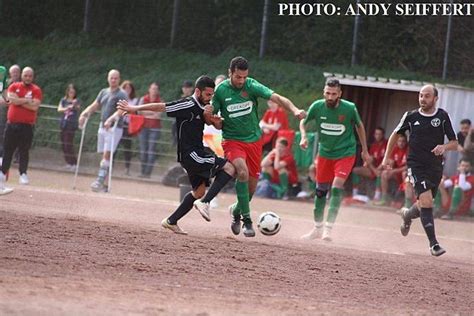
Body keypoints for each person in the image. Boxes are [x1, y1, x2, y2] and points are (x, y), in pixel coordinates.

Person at [116, 75, 235, 234]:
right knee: (229, 168)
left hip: (194, 154)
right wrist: (134, 109)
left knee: (198, 191)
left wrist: (212, 118)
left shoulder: (203, 106)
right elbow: (161, 107)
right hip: (191, 154)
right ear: (198, 92)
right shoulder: (187, 104)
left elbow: (216, 124)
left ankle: (171, 221)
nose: (210, 98)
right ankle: (205, 202)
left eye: (212, 95)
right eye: (208, 94)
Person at [212, 56, 306, 237]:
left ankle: (236, 211)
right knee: (242, 172)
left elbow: (277, 97)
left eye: (244, 77)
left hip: (254, 141)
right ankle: (247, 221)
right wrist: (215, 121)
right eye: (238, 77)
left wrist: (294, 110)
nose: (242, 81)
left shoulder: (251, 85)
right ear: (230, 73)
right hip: (232, 140)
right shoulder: (221, 91)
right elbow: (215, 120)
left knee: (251, 189)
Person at [382, 84, 458, 256]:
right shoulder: (411, 116)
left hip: (435, 167)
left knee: (425, 202)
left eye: (427, 96)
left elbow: (454, 143)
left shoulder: (442, 116)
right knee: (427, 201)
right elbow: (395, 134)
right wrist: (387, 156)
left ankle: (407, 215)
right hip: (416, 166)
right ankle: (434, 244)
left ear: (435, 98)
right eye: (421, 95)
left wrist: (444, 147)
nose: (423, 99)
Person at [300, 79, 370, 241]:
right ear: (324, 92)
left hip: (345, 153)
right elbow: (304, 121)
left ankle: (328, 229)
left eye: (333, 94)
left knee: (337, 186)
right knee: (320, 191)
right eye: (327, 93)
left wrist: (365, 150)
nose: (330, 97)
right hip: (325, 154)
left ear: (340, 94)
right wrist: (303, 137)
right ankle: (317, 228)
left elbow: (359, 126)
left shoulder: (349, 108)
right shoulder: (317, 106)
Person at [78, 69, 127, 192]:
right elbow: (95, 105)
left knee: (107, 154)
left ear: (119, 79)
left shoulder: (122, 94)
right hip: (102, 127)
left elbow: (121, 110)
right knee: (104, 156)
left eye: (116, 78)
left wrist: (111, 119)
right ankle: (105, 184)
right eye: (112, 78)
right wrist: (84, 113)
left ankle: (99, 181)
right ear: (108, 78)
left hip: (114, 128)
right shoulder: (103, 92)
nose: (114, 80)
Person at [0, 67, 43, 194]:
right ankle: (2, 173)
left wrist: (18, 101)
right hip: (12, 124)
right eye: (26, 75)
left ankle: (23, 173)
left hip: (27, 126)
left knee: (24, 150)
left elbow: (35, 106)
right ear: (22, 76)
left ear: (33, 77)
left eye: (30, 76)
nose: (28, 78)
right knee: (8, 149)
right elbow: (11, 100)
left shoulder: (36, 90)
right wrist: (26, 100)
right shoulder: (14, 86)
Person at [351, 127, 387, 200]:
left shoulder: (386, 144)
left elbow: (387, 160)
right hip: (373, 169)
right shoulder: (374, 145)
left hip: (383, 169)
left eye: (380, 134)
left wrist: (377, 169)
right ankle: (354, 193)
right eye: (376, 134)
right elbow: (368, 160)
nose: (378, 136)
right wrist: (374, 169)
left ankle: (377, 196)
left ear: (383, 135)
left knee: (380, 172)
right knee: (355, 170)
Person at [374, 134, 408, 206]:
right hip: (396, 173)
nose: (401, 143)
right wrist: (389, 169)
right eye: (399, 141)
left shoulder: (408, 149)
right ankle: (384, 198)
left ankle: (407, 202)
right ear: (396, 142)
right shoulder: (395, 149)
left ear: (406, 142)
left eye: (403, 141)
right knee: (384, 173)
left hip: (405, 173)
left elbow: (408, 166)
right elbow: (389, 161)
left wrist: (394, 171)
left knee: (404, 173)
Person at [137, 82, 162, 178]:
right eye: (152, 88)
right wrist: (152, 112)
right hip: (143, 127)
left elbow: (158, 115)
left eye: (156, 89)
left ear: (158, 90)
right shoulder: (143, 99)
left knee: (151, 150)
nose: (154, 90)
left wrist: (146, 112)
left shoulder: (160, 101)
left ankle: (147, 173)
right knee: (143, 150)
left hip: (155, 128)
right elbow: (139, 111)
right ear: (149, 89)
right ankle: (142, 172)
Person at [57, 83, 81, 170]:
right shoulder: (63, 100)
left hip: (71, 124)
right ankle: (68, 162)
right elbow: (59, 109)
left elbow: (78, 108)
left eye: (73, 92)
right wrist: (66, 108)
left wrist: (73, 105)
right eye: (70, 92)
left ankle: (74, 162)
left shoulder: (77, 100)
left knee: (68, 144)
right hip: (64, 123)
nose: (71, 93)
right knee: (63, 144)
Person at [0, 65, 21, 160]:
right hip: (5, 113)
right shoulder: (6, 83)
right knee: (4, 133)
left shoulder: (23, 84)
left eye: (17, 72)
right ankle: (3, 154)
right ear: (10, 73)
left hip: (18, 113)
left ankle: (17, 155)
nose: (15, 74)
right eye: (13, 72)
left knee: (18, 135)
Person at [119, 80, 138, 176]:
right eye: (125, 88)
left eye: (129, 88)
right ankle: (109, 166)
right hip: (119, 124)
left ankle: (127, 168)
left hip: (128, 125)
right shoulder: (119, 98)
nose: (127, 90)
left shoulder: (134, 100)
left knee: (127, 147)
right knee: (114, 146)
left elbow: (134, 112)